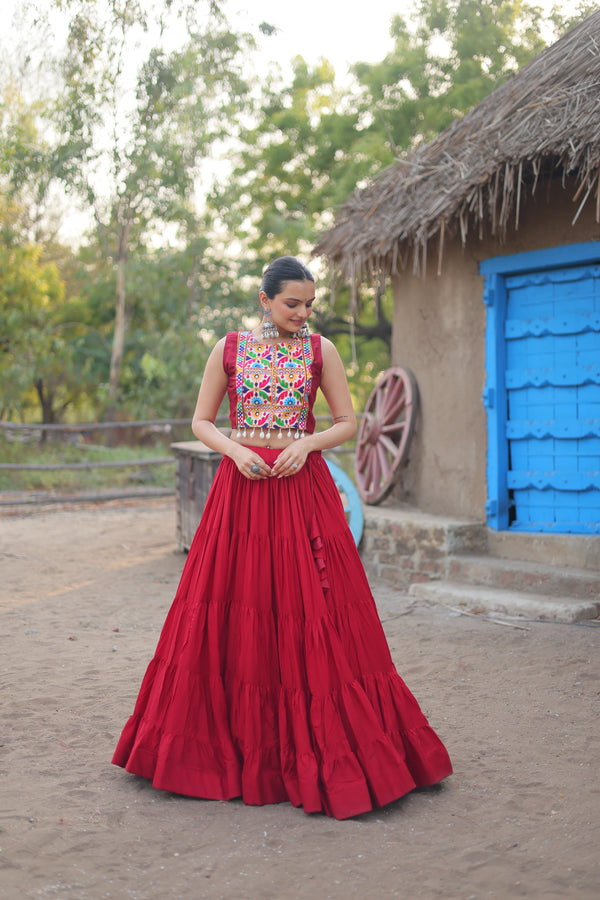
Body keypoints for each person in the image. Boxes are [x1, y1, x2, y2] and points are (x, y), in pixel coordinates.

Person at [112, 256, 452, 819]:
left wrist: (307, 445)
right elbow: (200, 421)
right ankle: (228, 754)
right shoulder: (227, 349)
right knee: (231, 612)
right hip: (241, 492)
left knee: (312, 611)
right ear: (264, 300)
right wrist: (238, 450)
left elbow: (348, 422)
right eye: (292, 303)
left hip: (302, 493)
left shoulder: (322, 351)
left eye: (309, 304)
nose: (302, 313)